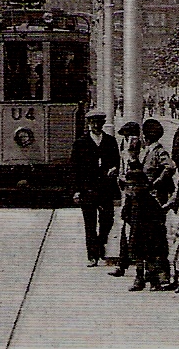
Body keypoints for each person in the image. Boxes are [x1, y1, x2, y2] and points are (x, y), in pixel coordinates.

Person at [71, 109, 119, 267]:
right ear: (89, 123)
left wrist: (114, 169)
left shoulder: (111, 141)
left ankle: (101, 243)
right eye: (93, 122)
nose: (96, 125)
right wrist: (77, 190)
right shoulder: (80, 143)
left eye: (99, 122)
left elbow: (116, 162)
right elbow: (74, 169)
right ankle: (92, 255)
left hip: (105, 188)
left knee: (108, 219)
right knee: (90, 223)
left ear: (103, 123)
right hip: (87, 188)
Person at [120, 169, 168, 291]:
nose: (132, 188)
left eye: (135, 185)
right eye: (130, 185)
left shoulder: (149, 200)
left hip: (150, 234)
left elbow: (159, 216)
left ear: (143, 185)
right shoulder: (131, 200)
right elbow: (125, 214)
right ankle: (139, 278)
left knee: (150, 257)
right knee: (138, 257)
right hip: (136, 232)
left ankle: (153, 279)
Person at [110, 121, 144, 279]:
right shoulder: (125, 150)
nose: (130, 140)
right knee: (124, 228)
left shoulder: (141, 152)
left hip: (137, 195)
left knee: (135, 231)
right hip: (127, 193)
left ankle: (136, 267)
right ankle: (122, 263)